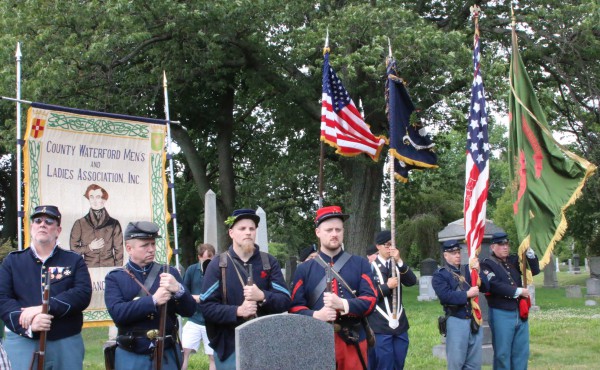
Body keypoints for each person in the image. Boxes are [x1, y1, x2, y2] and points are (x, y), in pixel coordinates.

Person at [0, 205, 92, 370]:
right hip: (24, 341)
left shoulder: (74, 261)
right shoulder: (12, 262)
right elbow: (3, 299)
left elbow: (82, 294)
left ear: (58, 230)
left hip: (65, 340)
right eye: (38, 221)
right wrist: (28, 324)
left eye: (49, 221)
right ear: (31, 226)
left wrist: (44, 308)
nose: (43, 224)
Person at [200, 209, 291, 369]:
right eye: (242, 228)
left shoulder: (269, 262)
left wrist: (262, 296)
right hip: (230, 346)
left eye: (252, 228)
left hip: (266, 345)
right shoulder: (218, 264)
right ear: (231, 233)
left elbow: (285, 300)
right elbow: (206, 307)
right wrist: (238, 311)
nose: (248, 232)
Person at [289, 206, 377, 370]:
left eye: (338, 229)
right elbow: (294, 307)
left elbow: (371, 300)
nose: (334, 234)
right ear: (318, 232)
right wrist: (316, 315)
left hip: (353, 340)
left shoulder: (360, 264)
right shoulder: (304, 269)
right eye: (329, 230)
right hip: (315, 341)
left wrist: (343, 304)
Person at [104, 221, 196, 370]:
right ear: (129, 248)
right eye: (145, 245)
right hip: (132, 354)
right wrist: (153, 300)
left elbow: (190, 310)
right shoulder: (115, 277)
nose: (151, 249)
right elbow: (118, 314)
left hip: (166, 354)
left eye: (153, 244)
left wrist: (178, 289)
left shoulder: (168, 272)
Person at [480, 232, 540, 370]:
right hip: (501, 312)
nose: (505, 247)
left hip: (519, 311)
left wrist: (529, 251)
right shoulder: (486, 264)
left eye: (506, 244)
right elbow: (494, 285)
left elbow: (534, 270)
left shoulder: (513, 260)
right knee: (502, 353)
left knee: (521, 352)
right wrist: (517, 291)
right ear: (493, 247)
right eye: (501, 245)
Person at [432, 240, 488, 370]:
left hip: (474, 319)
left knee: (474, 364)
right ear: (446, 255)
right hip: (456, 319)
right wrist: (467, 294)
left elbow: (485, 287)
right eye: (453, 253)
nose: (457, 255)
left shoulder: (468, 270)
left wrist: (478, 270)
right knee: (456, 363)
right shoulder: (440, 275)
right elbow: (445, 296)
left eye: (458, 252)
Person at [367, 230, 417, 370]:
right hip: (380, 325)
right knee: (384, 365)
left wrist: (400, 261)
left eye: (393, 245)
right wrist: (386, 287)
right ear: (378, 246)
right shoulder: (368, 267)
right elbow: (366, 296)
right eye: (387, 245)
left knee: (399, 362)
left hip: (399, 325)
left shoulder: (397, 265)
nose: (390, 248)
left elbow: (411, 281)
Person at [70, 184, 124, 267]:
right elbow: (73, 250)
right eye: (91, 197)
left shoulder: (114, 224)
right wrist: (89, 247)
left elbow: (119, 252)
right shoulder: (80, 223)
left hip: (109, 268)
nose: (94, 201)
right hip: (88, 268)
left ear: (104, 200)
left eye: (98, 197)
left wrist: (117, 271)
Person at [181, 243, 216, 370]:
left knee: (212, 356)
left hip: (211, 321)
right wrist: (199, 298)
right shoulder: (191, 270)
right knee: (184, 352)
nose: (208, 261)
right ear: (199, 257)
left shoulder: (218, 271)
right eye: (205, 258)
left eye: (211, 258)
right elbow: (184, 293)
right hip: (194, 319)